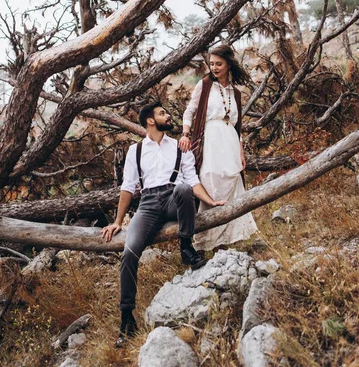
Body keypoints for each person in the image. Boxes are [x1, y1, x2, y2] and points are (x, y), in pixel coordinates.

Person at [101, 101, 226, 347]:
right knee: (129, 254)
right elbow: (127, 187)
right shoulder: (135, 151)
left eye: (167, 113)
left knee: (183, 188)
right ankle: (127, 319)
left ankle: (186, 249)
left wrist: (210, 201)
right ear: (150, 120)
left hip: (173, 199)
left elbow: (192, 181)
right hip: (147, 205)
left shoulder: (181, 147)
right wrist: (118, 221)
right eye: (162, 113)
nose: (168, 116)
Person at [179, 44, 257, 251]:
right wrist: (185, 134)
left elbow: (237, 127)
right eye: (211, 63)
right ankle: (209, 242)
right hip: (209, 142)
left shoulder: (236, 93)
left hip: (230, 142)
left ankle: (232, 241)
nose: (214, 67)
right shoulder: (204, 85)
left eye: (218, 64)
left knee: (232, 182)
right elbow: (190, 112)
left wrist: (241, 151)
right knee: (211, 180)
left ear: (229, 64)